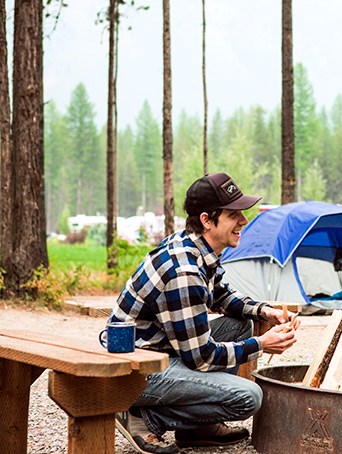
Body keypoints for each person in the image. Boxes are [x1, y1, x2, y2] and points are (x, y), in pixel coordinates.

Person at [108, 172, 300, 453]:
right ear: (206, 220)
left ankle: (196, 430)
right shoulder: (183, 271)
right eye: (234, 215)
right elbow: (202, 358)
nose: (243, 221)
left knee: (240, 324)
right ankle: (144, 416)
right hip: (139, 370)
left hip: (163, 351)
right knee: (248, 397)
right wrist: (261, 344)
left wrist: (264, 311)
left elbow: (220, 294)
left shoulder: (194, 245)